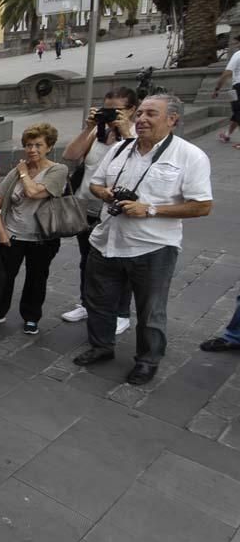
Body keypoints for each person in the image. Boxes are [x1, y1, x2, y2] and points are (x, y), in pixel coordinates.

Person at [74, 94, 213, 385]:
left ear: (172, 119)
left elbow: (202, 205)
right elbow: (96, 184)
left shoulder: (189, 156)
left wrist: (149, 209)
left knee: (150, 310)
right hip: (106, 240)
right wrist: (107, 194)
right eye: (140, 114)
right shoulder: (120, 149)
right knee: (98, 301)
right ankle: (101, 346)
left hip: (152, 247)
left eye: (151, 114)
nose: (142, 119)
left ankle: (148, 360)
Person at [61, 88, 138, 334]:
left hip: (117, 211)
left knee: (118, 263)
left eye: (116, 111)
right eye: (106, 109)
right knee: (88, 260)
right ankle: (87, 303)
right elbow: (70, 155)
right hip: (87, 208)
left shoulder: (137, 137)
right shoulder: (97, 132)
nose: (110, 115)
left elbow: (136, 164)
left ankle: (121, 313)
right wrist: (89, 128)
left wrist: (126, 133)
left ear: (132, 111)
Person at [0, 123, 67, 335]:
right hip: (12, 234)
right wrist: (1, 232)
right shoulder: (16, 171)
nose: (32, 150)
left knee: (36, 279)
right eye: (28, 145)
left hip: (42, 238)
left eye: (38, 145)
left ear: (49, 146)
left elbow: (33, 192)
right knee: (2, 277)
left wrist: (22, 173)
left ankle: (31, 316)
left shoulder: (57, 170)